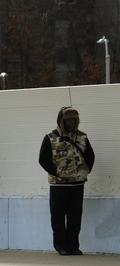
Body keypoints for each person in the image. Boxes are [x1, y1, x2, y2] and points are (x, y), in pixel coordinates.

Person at [38, 107, 95, 256]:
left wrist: (84, 171)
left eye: (74, 120)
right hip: (59, 185)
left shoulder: (82, 137)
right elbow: (43, 159)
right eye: (68, 120)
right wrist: (57, 173)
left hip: (77, 184)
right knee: (58, 217)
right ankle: (61, 246)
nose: (71, 122)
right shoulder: (50, 137)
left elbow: (90, 156)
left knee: (75, 216)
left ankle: (73, 246)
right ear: (62, 121)